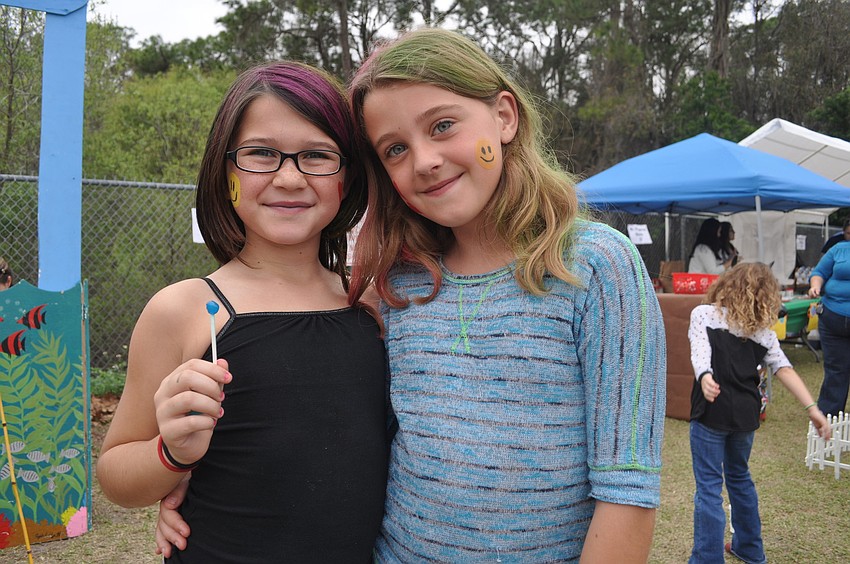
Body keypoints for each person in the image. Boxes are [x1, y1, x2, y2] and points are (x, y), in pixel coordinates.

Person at [157, 27, 667, 562]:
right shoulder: (395, 288)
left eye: (443, 125)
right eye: (395, 149)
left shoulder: (595, 266)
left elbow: (626, 494)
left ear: (505, 116)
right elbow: (327, 426)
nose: (423, 161)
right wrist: (190, 475)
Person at [96, 61, 389, 562]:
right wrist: (172, 454)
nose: (290, 177)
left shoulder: (374, 303)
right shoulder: (183, 309)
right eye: (261, 154)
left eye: (318, 156)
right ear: (223, 169)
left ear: (349, 177)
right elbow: (116, 476)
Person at [688, 262, 831, 564]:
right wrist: (812, 409)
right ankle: (750, 550)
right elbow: (784, 368)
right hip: (746, 416)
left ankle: (707, 559)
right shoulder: (763, 332)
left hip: (711, 414)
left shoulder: (703, 315)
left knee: (710, 488)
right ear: (765, 297)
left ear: (728, 284)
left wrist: (705, 376)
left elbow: (699, 352)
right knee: (739, 478)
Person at [807, 218, 850, 417]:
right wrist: (815, 285)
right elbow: (819, 272)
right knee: (835, 370)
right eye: (848, 233)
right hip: (833, 317)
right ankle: (828, 419)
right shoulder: (838, 249)